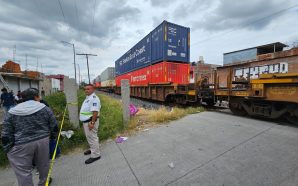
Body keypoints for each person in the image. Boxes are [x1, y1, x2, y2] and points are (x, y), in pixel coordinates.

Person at [1, 88, 58, 185]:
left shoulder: (13, 111)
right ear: (36, 97)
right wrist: (52, 138)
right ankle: (44, 182)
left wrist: (8, 149)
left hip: (21, 144)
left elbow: (6, 133)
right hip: (43, 141)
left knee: (23, 172)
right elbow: (54, 125)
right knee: (43, 165)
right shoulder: (44, 108)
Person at [79, 84, 101, 164]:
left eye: (88, 89)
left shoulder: (94, 99)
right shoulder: (88, 98)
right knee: (90, 137)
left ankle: (96, 155)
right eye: (85, 89)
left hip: (90, 122)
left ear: (93, 90)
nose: (86, 90)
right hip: (87, 122)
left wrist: (92, 123)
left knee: (92, 138)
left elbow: (95, 111)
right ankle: (93, 149)